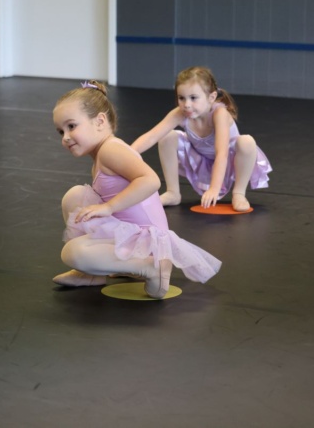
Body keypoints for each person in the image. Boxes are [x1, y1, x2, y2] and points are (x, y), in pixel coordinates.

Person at [52, 81, 222, 299]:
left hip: (147, 241)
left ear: (100, 121)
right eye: (61, 131)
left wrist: (108, 207)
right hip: (128, 231)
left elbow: (151, 180)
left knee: (73, 252)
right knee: (75, 196)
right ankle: (92, 274)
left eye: (72, 126)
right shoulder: (102, 153)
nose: (65, 137)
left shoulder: (111, 150)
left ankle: (150, 267)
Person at [131, 66, 271, 212]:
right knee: (167, 137)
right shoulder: (180, 113)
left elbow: (222, 154)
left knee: (247, 142)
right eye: (181, 98)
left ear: (211, 97)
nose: (187, 105)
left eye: (193, 98)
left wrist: (214, 188)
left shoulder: (219, 114)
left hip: (230, 162)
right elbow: (152, 136)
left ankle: (239, 193)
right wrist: (128, 154)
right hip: (201, 159)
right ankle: (173, 192)